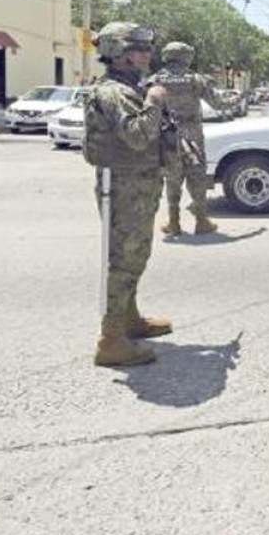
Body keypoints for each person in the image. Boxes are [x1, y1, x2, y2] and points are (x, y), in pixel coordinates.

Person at [82, 22, 173, 367]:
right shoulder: (114, 92)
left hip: (137, 185)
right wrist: (153, 101)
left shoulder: (126, 87)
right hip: (125, 187)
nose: (147, 54)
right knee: (123, 261)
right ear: (119, 52)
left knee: (136, 256)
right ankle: (111, 339)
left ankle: (129, 319)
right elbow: (137, 135)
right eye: (140, 48)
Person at [149, 41, 224, 235]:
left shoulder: (156, 79)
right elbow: (218, 103)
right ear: (185, 57)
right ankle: (201, 220)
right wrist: (240, 99)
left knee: (172, 177)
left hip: (168, 136)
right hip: (192, 136)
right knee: (196, 176)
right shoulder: (195, 80)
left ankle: (173, 222)